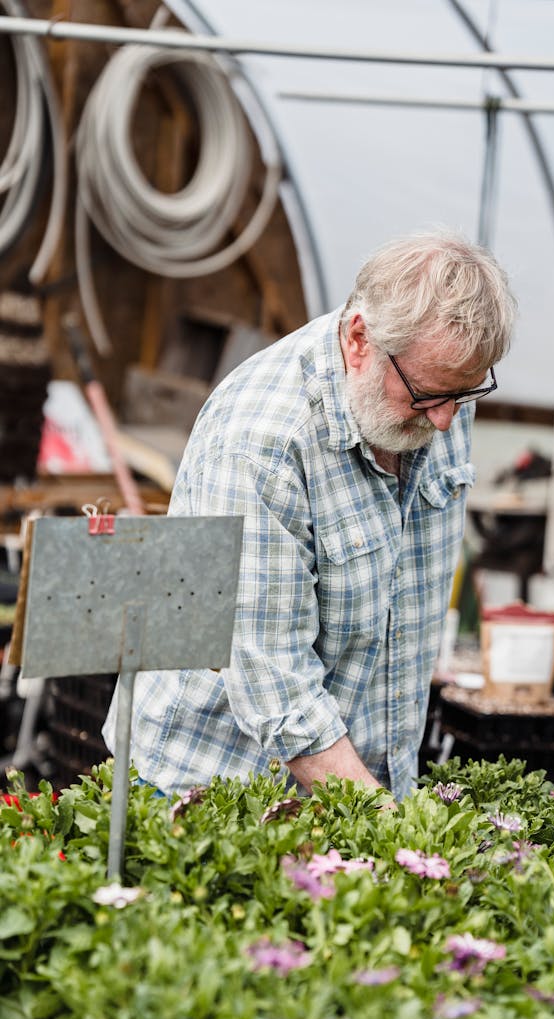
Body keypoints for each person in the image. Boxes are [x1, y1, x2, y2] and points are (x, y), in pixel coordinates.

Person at [103, 230, 516, 801]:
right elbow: (272, 676)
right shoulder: (261, 441)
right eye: (427, 396)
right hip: (216, 792)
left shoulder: (436, 392)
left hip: (353, 789)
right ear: (358, 339)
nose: (446, 422)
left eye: (465, 396)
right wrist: (386, 828)